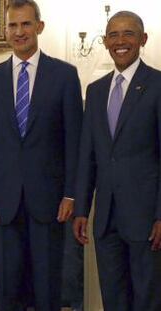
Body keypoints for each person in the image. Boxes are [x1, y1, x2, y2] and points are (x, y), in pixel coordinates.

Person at [0, 0, 83, 309]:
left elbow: (74, 141)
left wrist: (71, 194)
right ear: (5, 31)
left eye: (25, 24)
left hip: (50, 201)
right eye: (13, 25)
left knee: (47, 287)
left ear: (39, 27)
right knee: (7, 288)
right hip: (2, 203)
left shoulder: (64, 76)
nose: (19, 32)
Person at [73, 11, 161, 310]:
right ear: (105, 41)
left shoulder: (158, 85)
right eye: (113, 35)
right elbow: (89, 156)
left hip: (146, 218)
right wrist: (82, 209)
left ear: (143, 39)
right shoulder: (95, 91)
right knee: (114, 299)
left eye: (128, 34)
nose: (120, 41)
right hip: (106, 218)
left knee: (148, 299)